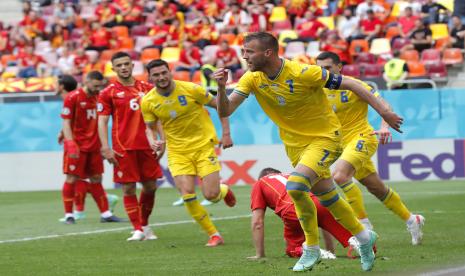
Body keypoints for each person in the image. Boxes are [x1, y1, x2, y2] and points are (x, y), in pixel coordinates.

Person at [213, 32, 403, 272]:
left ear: (268, 53)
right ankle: (364, 238)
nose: (244, 56)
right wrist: (221, 88)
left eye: (249, 51)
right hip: (295, 145)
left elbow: (352, 83)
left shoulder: (303, 72)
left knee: (295, 186)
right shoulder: (251, 79)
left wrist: (385, 113)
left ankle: (311, 248)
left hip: (324, 138)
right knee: (328, 197)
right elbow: (226, 109)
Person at [316, 51, 425, 245]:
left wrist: (384, 127)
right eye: (320, 68)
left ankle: (364, 228)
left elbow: (384, 104)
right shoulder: (317, 87)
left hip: (362, 137)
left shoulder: (354, 85)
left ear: (339, 67)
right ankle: (412, 220)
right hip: (339, 145)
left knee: (340, 176)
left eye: (328, 68)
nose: (324, 72)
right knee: (377, 188)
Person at [141, 59, 236, 247]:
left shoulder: (192, 89)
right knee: (187, 193)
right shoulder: (148, 101)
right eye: (156, 75)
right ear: (150, 78)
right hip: (177, 151)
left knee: (211, 195)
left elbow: (221, 105)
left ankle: (222, 191)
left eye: (163, 73)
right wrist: (153, 141)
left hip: (203, 146)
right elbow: (150, 128)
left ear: (169, 72)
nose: (161, 77)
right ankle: (214, 234)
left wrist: (226, 133)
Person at [98, 52, 163, 241]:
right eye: (119, 65)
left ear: (132, 65)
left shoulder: (149, 88)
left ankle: (144, 224)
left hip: (147, 145)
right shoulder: (108, 92)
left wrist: (162, 141)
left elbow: (158, 118)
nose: (124, 67)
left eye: (126, 64)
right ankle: (138, 228)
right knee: (128, 189)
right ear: (113, 68)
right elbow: (102, 122)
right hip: (122, 148)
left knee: (150, 187)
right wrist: (106, 148)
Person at [249, 167, 359, 260]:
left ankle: (315, 252)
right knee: (350, 236)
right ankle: (365, 248)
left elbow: (257, 222)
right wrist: (331, 250)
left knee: (292, 248)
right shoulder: (293, 175)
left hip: (293, 208)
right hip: (319, 202)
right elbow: (322, 223)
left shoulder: (260, 183)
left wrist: (260, 254)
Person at [59, 72, 123, 224]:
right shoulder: (73, 97)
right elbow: (67, 121)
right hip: (77, 147)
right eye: (95, 86)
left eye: (99, 86)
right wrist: (69, 142)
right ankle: (69, 215)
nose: (97, 89)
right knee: (72, 178)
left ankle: (106, 214)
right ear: (86, 81)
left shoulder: (100, 97)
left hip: (94, 147)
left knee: (96, 178)